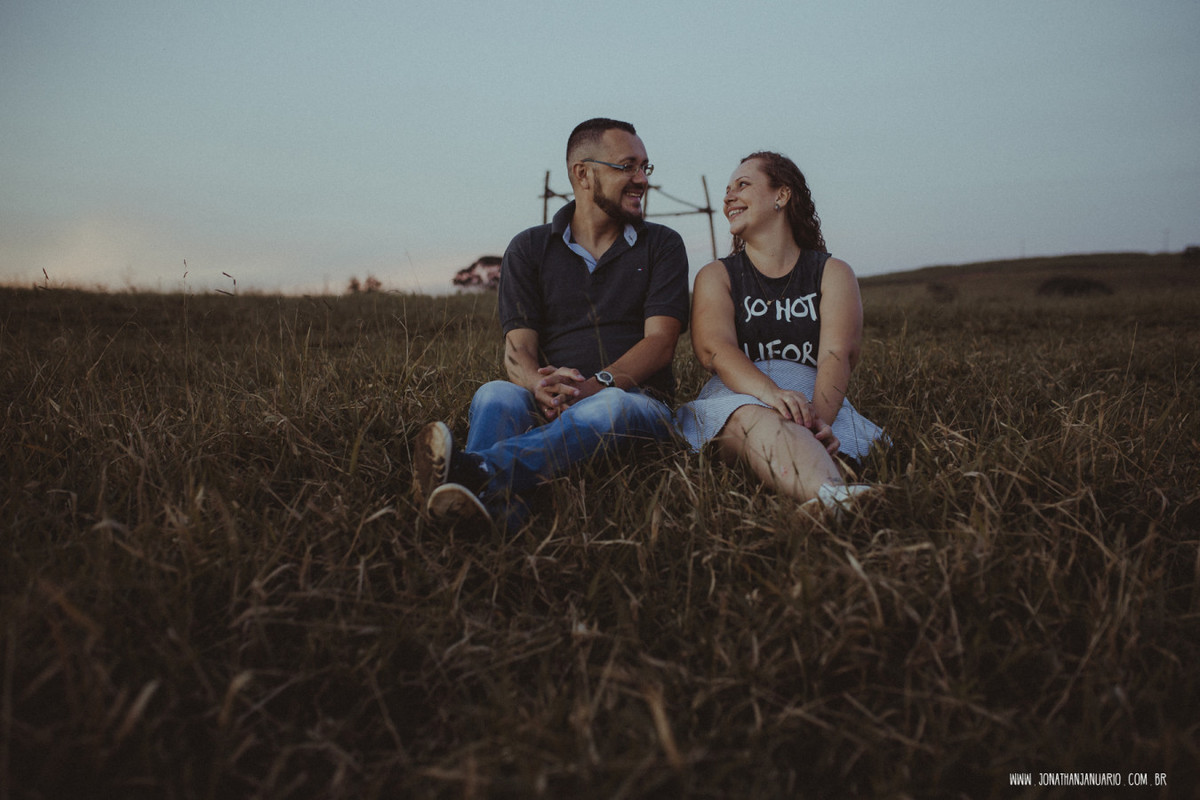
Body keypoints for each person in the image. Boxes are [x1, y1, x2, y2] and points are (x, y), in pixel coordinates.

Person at [413, 118, 690, 529]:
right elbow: (517, 348)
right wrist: (537, 385)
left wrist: (591, 388)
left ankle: (474, 471)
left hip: (637, 402)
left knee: (610, 407)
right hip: (552, 400)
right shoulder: (529, 248)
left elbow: (661, 343)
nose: (641, 179)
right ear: (583, 173)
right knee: (495, 394)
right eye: (627, 166)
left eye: (644, 167)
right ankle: (499, 514)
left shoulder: (662, 244)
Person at [674, 151, 886, 512]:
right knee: (757, 419)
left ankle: (823, 506)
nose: (728, 197)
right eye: (727, 190)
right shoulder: (717, 275)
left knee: (817, 442)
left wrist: (816, 422)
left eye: (742, 185)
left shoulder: (832, 272)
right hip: (738, 395)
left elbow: (837, 353)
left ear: (781, 196)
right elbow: (714, 349)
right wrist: (771, 394)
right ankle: (832, 496)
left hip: (817, 400)